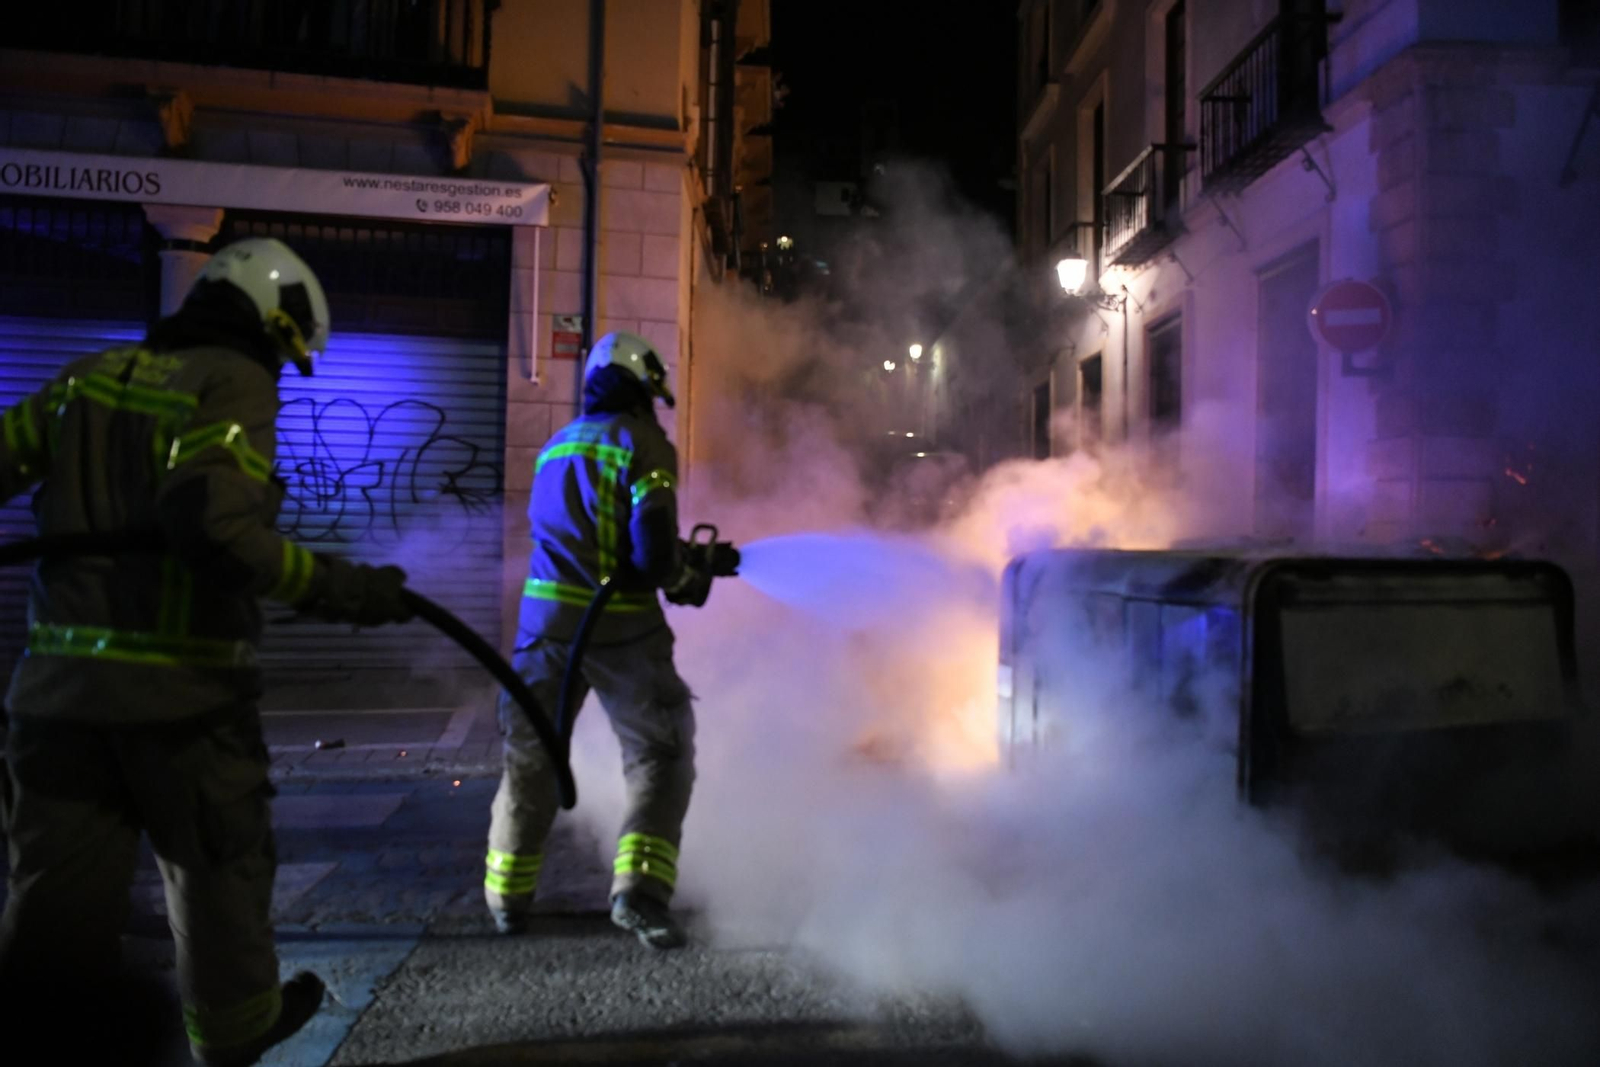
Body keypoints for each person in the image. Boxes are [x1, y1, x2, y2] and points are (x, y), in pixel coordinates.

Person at [0, 237, 415, 1066]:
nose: (280, 371)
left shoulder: (87, 378)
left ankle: (38, 1040)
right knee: (219, 867)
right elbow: (216, 527)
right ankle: (235, 1032)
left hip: (56, 702)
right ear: (268, 320)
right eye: (284, 350)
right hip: (180, 701)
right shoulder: (230, 379)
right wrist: (347, 589)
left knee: (53, 898)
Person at [487, 331, 725, 950]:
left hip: (543, 633)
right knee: (660, 754)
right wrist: (685, 578)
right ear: (642, 386)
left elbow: (588, 534)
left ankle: (507, 898)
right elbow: (651, 556)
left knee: (531, 757)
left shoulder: (556, 445)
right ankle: (639, 895)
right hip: (621, 630)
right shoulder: (643, 444)